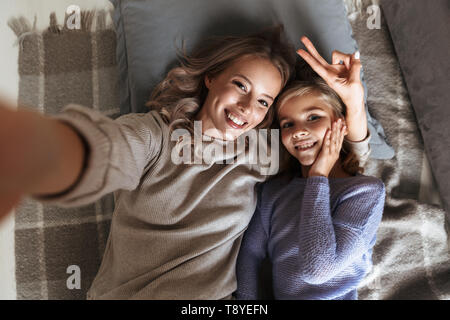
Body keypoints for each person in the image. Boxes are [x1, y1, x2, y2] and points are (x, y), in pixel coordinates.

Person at [0, 27, 371, 299]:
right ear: (211, 78)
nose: (247, 108)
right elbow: (104, 150)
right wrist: (45, 149)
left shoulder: (265, 151)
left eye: (263, 102)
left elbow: (339, 158)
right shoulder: (156, 135)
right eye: (241, 86)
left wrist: (353, 102)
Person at [234, 45, 385, 300]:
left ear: (341, 123)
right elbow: (250, 254)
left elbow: (318, 270)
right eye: (288, 124)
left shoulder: (365, 193)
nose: (298, 131)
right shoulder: (274, 192)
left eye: (313, 117)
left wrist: (318, 177)